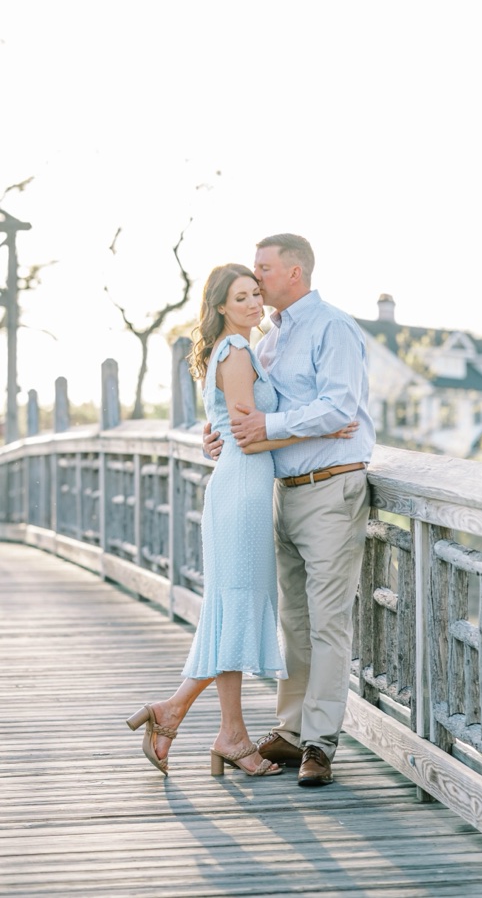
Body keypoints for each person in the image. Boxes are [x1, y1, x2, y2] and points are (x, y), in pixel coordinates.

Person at [127, 263, 356, 776]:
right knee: (235, 607)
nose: (254, 303)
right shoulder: (234, 352)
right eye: (242, 297)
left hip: (249, 487)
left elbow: (234, 428)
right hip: (242, 491)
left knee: (232, 609)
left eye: (257, 293)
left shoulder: (240, 350)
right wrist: (321, 432)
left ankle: (197, 722)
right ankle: (210, 726)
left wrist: (271, 432)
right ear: (222, 308)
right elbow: (249, 435)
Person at [204, 233, 375, 788]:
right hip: (279, 491)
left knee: (327, 622)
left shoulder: (333, 328)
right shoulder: (269, 339)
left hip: (330, 489)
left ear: (293, 273)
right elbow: (249, 409)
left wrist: (264, 428)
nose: (257, 283)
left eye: (263, 271)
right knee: (294, 621)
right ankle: (293, 727)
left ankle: (321, 743)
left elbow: (338, 407)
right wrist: (223, 434)